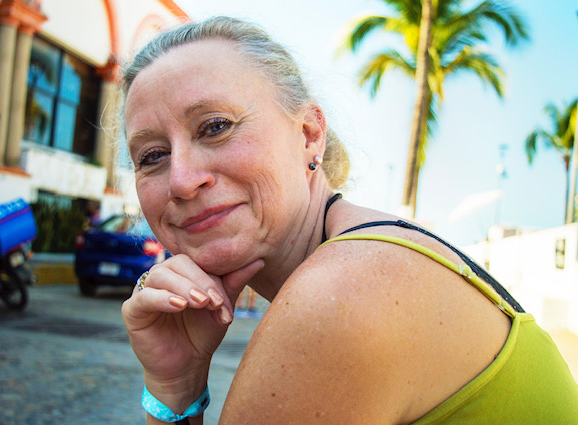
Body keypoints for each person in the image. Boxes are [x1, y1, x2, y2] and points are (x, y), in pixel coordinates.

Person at [120, 16, 578, 425]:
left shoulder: (340, 293)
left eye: (216, 126)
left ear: (309, 134)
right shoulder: (371, 253)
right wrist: (174, 386)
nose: (181, 180)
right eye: (153, 156)